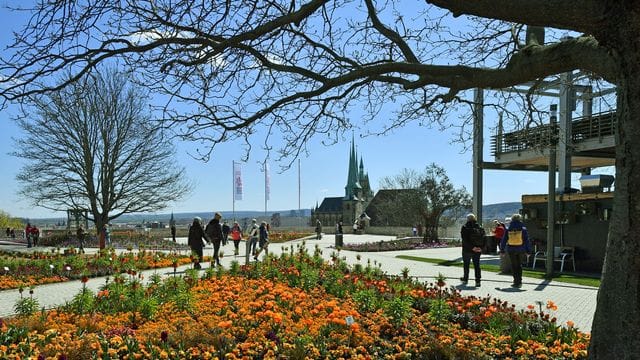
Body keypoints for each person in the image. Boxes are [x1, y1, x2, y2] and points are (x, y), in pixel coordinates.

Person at [500, 213, 532, 288]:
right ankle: (519, 281)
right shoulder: (523, 229)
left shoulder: (508, 228)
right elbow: (527, 241)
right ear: (520, 219)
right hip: (521, 249)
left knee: (514, 265)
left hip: (511, 249)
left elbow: (503, 240)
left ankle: (515, 281)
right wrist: (528, 251)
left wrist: (502, 250)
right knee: (519, 265)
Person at [460, 213, 486, 287]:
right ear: (475, 219)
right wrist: (481, 248)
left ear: (467, 219)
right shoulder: (480, 227)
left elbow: (464, 240)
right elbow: (484, 238)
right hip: (478, 249)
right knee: (477, 265)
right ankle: (478, 281)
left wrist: (471, 247)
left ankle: (465, 279)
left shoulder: (465, 227)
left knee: (466, 265)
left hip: (467, 250)